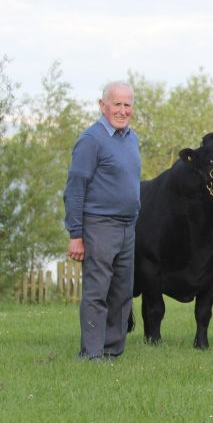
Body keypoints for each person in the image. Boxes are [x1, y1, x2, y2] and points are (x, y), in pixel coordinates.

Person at [63, 81, 141, 361]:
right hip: (99, 225)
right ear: (102, 105)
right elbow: (75, 188)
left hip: (127, 226)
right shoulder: (91, 139)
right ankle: (92, 354)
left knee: (122, 292)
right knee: (97, 292)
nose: (122, 110)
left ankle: (112, 351)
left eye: (127, 104)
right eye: (117, 104)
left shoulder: (132, 138)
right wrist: (75, 234)